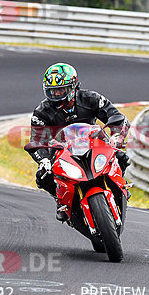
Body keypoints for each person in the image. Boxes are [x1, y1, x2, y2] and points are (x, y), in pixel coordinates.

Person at [24, 63, 130, 221]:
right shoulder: (41, 112)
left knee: (121, 156)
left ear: (73, 86)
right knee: (43, 175)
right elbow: (37, 141)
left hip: (93, 143)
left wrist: (116, 137)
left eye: (60, 90)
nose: (56, 94)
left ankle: (120, 185)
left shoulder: (91, 98)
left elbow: (116, 116)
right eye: (52, 91)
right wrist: (44, 160)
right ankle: (60, 201)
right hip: (62, 152)